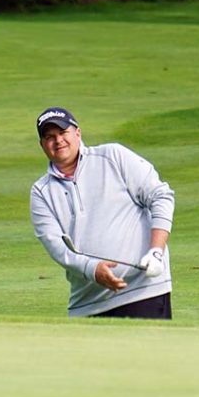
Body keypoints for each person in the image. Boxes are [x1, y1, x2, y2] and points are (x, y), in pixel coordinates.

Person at [29, 107, 174, 319]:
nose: (58, 140)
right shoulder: (41, 192)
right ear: (42, 145)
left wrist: (156, 252)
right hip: (87, 303)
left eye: (63, 133)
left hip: (143, 293)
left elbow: (161, 196)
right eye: (49, 137)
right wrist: (92, 268)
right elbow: (57, 248)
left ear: (77, 133)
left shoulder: (113, 156)